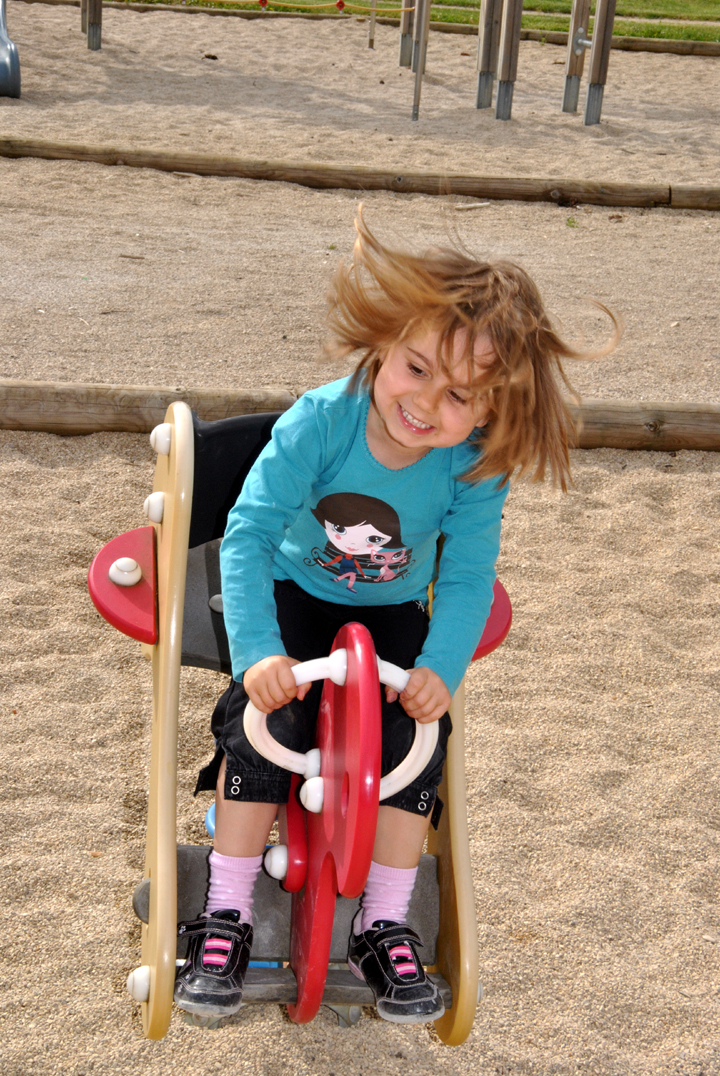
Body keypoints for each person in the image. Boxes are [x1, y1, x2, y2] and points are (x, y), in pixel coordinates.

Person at [174, 210, 618, 1024]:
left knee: (414, 741)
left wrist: (439, 671)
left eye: (459, 397)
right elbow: (250, 533)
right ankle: (225, 908)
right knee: (264, 722)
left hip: (389, 611)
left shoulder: (475, 466)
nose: (425, 403)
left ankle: (384, 921)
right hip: (293, 592)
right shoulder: (321, 421)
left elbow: (469, 575)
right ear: (385, 345)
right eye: (416, 368)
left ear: (489, 411)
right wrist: (259, 651)